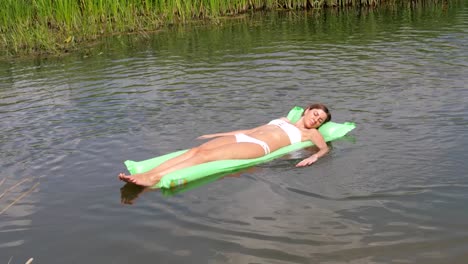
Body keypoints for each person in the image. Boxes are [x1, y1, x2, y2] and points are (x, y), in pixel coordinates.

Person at [119, 103, 332, 187]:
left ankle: (152, 178)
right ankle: (148, 172)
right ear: (306, 110)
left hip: (259, 147)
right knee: (197, 150)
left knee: (203, 158)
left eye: (320, 120)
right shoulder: (283, 119)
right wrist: (215, 134)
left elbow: (324, 149)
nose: (316, 120)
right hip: (246, 138)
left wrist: (314, 156)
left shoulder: (310, 133)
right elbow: (248, 131)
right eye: (315, 114)